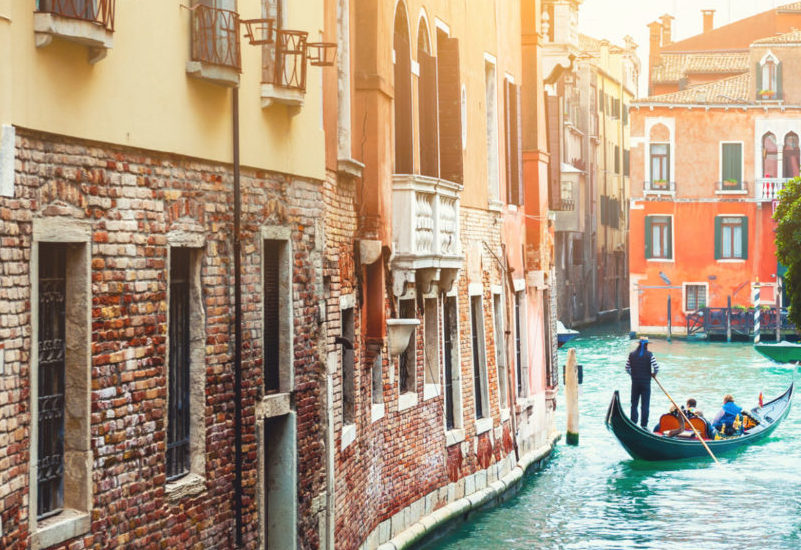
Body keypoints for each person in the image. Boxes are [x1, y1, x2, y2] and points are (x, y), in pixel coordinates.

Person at [625, 336, 660, 428]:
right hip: (646, 383)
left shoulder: (631, 354)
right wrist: (654, 374)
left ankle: (633, 422)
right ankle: (644, 425)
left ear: (639, 344)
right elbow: (656, 367)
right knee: (645, 404)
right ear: (647, 345)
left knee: (634, 403)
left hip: (635, 382)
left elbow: (627, 368)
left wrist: (632, 375)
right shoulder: (650, 355)